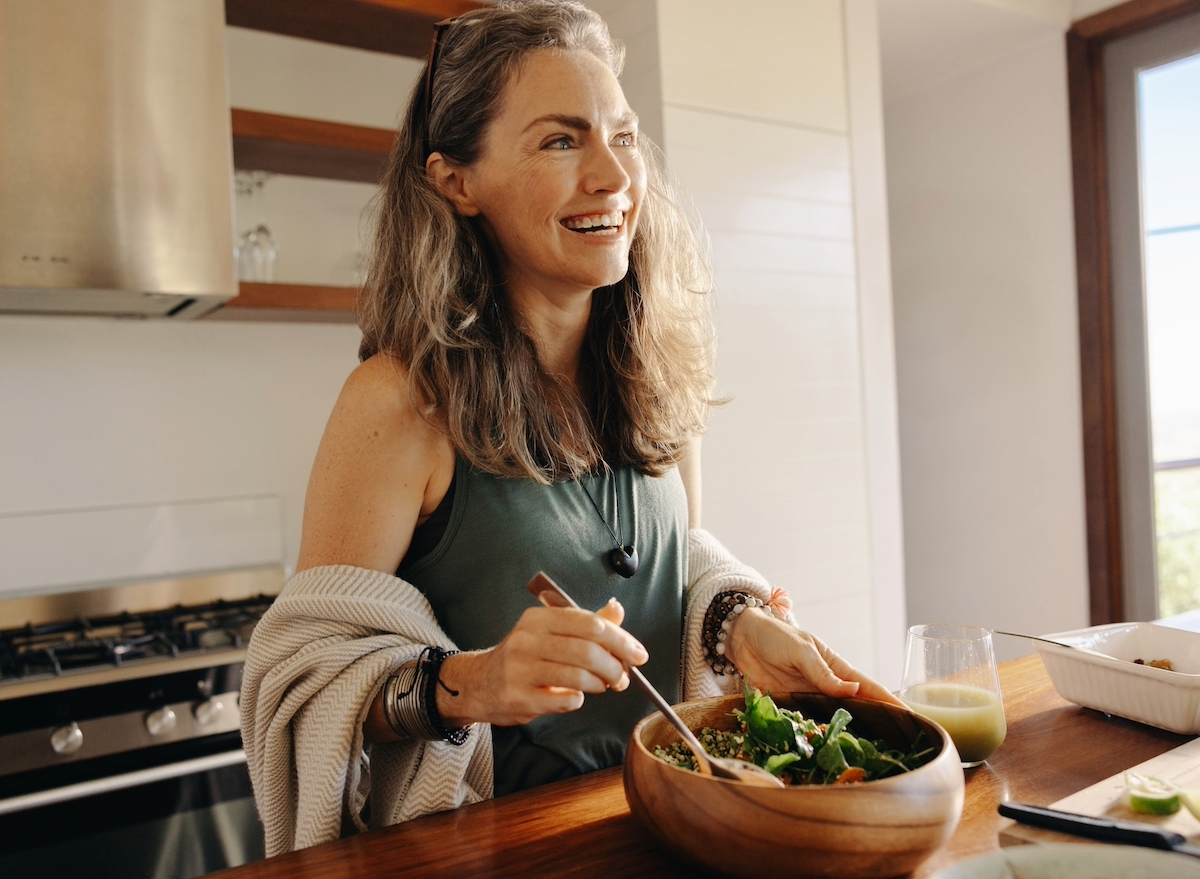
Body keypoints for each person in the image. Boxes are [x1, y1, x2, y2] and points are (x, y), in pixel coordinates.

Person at [241, 0, 900, 856]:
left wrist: (736, 621)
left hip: (679, 821)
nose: (613, 177)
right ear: (457, 181)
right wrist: (468, 683)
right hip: (508, 850)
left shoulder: (659, 375)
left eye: (622, 136)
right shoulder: (398, 400)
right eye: (560, 140)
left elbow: (681, 551)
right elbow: (308, 674)